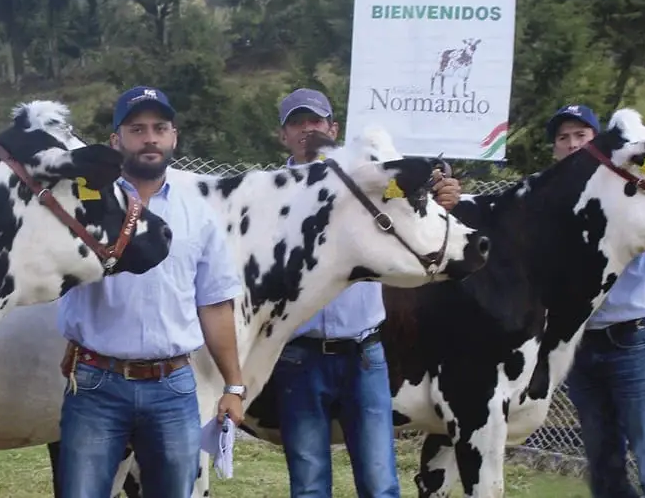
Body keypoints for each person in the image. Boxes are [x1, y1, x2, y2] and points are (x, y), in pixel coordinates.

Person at [55, 85, 247, 498]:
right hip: (95, 384)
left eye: (160, 128)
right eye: (137, 129)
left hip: (172, 385)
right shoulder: (82, 206)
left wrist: (233, 385)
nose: (150, 138)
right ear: (115, 140)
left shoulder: (197, 214)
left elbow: (214, 304)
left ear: (174, 136)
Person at [270, 88, 462, 498]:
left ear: (333, 129)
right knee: (308, 485)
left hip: (364, 353)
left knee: (379, 483)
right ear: (282, 135)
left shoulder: (370, 183)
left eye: (315, 121)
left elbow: (417, 209)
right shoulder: (272, 195)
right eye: (296, 123)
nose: (307, 130)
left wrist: (442, 195)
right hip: (298, 355)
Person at [552, 103, 645, 498]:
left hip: (634, 342)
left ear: (599, 143)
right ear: (555, 150)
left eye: (582, 135)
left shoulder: (635, 189)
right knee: (602, 460)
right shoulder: (548, 203)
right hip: (580, 344)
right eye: (563, 138)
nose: (572, 143)